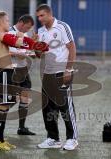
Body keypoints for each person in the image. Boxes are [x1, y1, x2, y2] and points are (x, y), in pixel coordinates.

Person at [0, 11, 48, 151]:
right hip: (3, 73)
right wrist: (24, 38)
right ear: (1, 22)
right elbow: (19, 43)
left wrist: (35, 44)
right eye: (7, 20)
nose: (9, 23)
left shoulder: (1, 35)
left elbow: (22, 45)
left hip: (7, 73)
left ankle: (0, 139)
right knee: (2, 107)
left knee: (5, 105)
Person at [36, 4, 78, 150]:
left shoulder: (62, 27)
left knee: (65, 107)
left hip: (62, 71)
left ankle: (72, 138)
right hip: (47, 73)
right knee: (47, 107)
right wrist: (36, 47)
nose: (40, 19)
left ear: (49, 14)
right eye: (38, 17)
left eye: (42, 15)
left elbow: (72, 48)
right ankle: (53, 138)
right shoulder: (40, 31)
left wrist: (69, 69)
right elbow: (39, 55)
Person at [8, 14, 36, 135]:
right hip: (12, 69)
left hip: (23, 69)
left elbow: (26, 51)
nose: (28, 30)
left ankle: (21, 128)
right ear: (21, 23)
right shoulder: (9, 33)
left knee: (25, 97)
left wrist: (32, 50)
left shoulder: (23, 35)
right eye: (28, 27)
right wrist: (16, 55)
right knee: (12, 99)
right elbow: (6, 51)